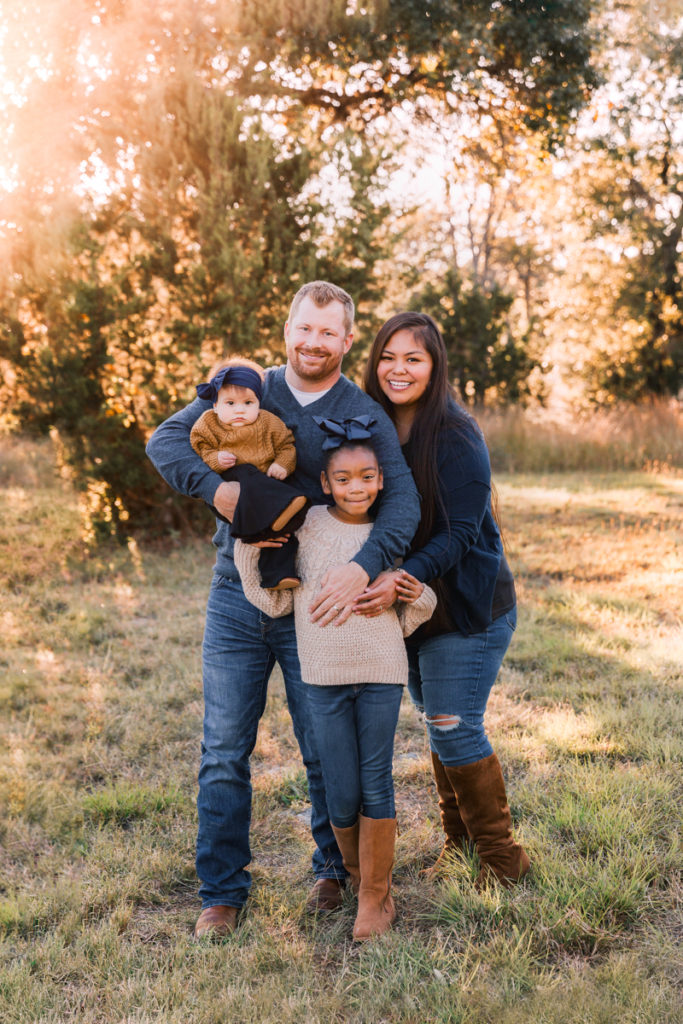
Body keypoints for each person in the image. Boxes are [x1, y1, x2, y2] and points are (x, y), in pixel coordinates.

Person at [145, 282, 421, 938]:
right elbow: (165, 443)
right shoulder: (243, 387)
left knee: (323, 748)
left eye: (329, 333)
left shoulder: (362, 409)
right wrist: (216, 494)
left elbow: (403, 500)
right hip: (234, 596)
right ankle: (221, 890)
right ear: (288, 327)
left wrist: (362, 565)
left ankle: (333, 867)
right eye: (305, 328)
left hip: (314, 604)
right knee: (222, 749)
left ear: (347, 340)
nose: (313, 343)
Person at [234, 425, 436, 940]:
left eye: (367, 477)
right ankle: (353, 874)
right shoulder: (307, 526)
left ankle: (376, 895)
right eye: (344, 478)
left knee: (375, 779)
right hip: (321, 677)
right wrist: (247, 549)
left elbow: (419, 603)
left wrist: (409, 591)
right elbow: (276, 598)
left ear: (381, 480)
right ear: (325, 482)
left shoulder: (390, 531)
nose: (356, 487)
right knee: (339, 786)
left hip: (381, 674)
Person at [357, 311, 530, 889]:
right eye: (388, 356)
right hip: (408, 607)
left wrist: (403, 575)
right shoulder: (370, 425)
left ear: (435, 367)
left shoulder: (456, 434)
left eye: (413, 358)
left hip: (466, 604)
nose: (398, 369)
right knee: (437, 722)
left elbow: (459, 532)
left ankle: (503, 858)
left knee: (455, 723)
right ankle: (459, 845)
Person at [190, 356, 309, 590]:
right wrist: (216, 459)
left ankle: (277, 576)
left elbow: (287, 445)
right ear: (215, 405)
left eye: (248, 403)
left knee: (282, 537)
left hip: (264, 486)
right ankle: (284, 505)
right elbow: (201, 448)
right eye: (230, 404)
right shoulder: (209, 423)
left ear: (258, 402)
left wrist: (282, 465)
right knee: (247, 473)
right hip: (231, 480)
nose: (240, 411)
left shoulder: (268, 422)